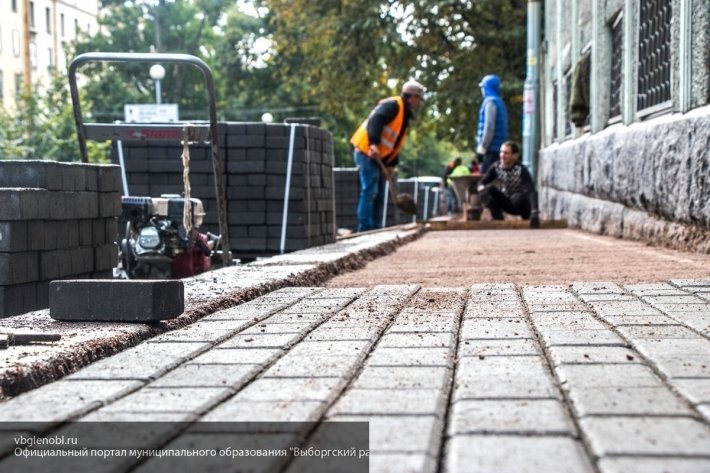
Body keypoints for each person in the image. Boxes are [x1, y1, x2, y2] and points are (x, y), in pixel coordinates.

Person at [350, 79, 425, 232]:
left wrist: (391, 165)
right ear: (413, 97)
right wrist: (373, 143)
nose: (420, 102)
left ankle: (374, 228)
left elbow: (394, 142)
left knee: (379, 194)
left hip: (379, 158)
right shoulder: (394, 105)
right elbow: (375, 120)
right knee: (371, 190)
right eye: (419, 98)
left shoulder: (404, 113)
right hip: (366, 152)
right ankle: (364, 229)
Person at [477, 141, 540, 228]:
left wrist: (534, 212)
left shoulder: (521, 169)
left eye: (506, 153)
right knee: (489, 188)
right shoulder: (496, 167)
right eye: (501, 152)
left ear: (515, 156)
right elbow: (481, 182)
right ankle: (498, 218)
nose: (502, 155)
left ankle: (529, 219)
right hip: (507, 201)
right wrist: (481, 189)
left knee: (523, 195)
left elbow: (532, 191)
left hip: (521, 205)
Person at [475, 74, 508, 174]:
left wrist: (483, 147)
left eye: (483, 88)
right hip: (499, 149)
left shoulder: (490, 103)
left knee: (485, 182)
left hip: (491, 150)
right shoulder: (500, 102)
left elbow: (489, 127)